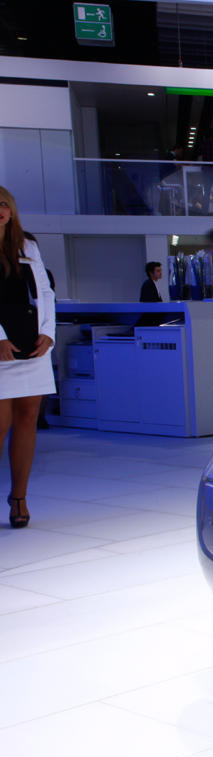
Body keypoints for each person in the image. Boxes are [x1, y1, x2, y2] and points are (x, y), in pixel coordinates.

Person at [0, 186, 56, 528]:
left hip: (32, 342)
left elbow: (45, 292)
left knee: (27, 417)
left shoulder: (28, 245)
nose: (0, 210)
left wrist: (49, 331)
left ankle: (19, 497)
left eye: (3, 204)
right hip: (1, 346)